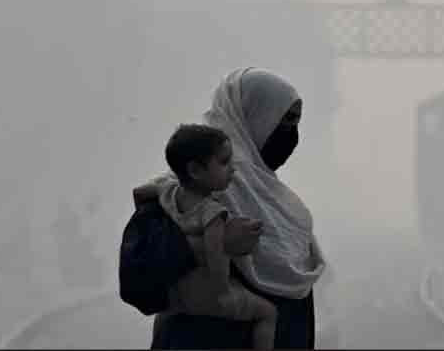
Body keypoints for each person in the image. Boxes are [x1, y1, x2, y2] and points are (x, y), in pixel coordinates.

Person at [130, 67, 325, 349]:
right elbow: (139, 278)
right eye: (285, 120)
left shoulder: (278, 202)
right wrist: (212, 245)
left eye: (296, 121)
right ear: (255, 116)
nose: (292, 134)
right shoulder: (184, 191)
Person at [153, 123, 278, 349]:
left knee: (164, 316)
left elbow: (139, 192)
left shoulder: (168, 192)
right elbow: (216, 254)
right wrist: (223, 292)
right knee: (268, 313)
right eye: (224, 162)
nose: (233, 169)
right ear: (195, 171)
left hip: (176, 293)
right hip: (208, 298)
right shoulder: (213, 212)